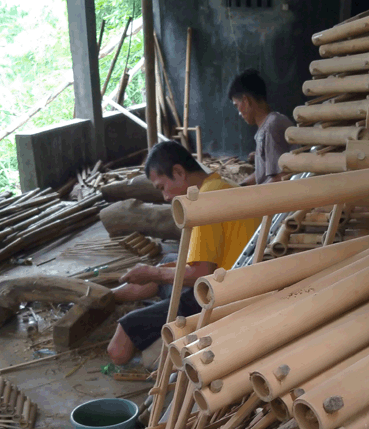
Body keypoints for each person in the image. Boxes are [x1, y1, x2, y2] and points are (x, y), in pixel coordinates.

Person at [107, 141, 261, 365]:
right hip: (243, 278)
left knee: (118, 348)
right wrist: (157, 272)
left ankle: (154, 358)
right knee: (168, 262)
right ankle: (110, 297)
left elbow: (200, 274)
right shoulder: (220, 184)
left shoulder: (203, 202)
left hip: (221, 298)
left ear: (178, 173)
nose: (166, 198)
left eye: (162, 187)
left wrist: (154, 274)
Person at [228, 69, 296, 186]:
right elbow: (262, 174)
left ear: (246, 100)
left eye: (236, 105)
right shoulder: (268, 125)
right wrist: (238, 187)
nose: (239, 113)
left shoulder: (271, 127)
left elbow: (281, 177)